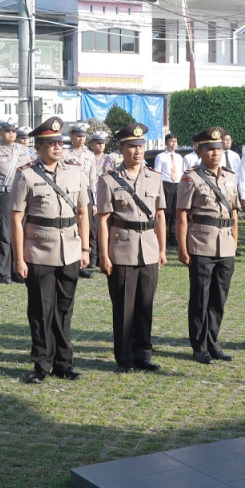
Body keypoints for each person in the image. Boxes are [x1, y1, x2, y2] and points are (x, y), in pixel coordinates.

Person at [11, 116, 91, 384]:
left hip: (69, 248)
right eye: (50, 143)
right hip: (39, 250)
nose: (57, 147)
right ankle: (41, 364)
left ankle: (64, 363)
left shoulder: (75, 171)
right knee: (41, 310)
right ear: (38, 146)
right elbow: (16, 217)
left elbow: (83, 211)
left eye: (59, 142)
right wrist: (20, 257)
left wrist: (85, 248)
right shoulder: (26, 174)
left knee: (64, 308)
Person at [96, 122, 167, 372]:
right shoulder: (108, 181)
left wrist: (161, 249)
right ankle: (124, 357)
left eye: (141, 146)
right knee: (124, 309)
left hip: (148, 246)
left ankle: (143, 354)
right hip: (122, 248)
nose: (137, 151)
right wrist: (103, 255)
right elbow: (103, 220)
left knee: (145, 306)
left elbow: (159, 215)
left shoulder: (155, 178)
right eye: (132, 147)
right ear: (121, 148)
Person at [176, 126, 240, 364]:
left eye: (218, 149)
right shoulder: (190, 178)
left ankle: (213, 343)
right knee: (200, 298)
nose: (215, 153)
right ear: (199, 150)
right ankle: (199, 345)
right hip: (201, 243)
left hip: (225, 245)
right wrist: (183, 248)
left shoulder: (230, 177)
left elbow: (233, 211)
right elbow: (182, 214)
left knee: (219, 298)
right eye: (210, 149)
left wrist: (234, 241)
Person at [0, 120, 29, 285]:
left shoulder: (24, 151)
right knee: (3, 233)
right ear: (1, 133)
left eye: (13, 131)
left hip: (20, 195)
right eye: (7, 131)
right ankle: (5, 272)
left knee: (20, 232)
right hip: (1, 195)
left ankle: (18, 269)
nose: (11, 134)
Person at [65, 123, 96, 279]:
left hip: (85, 195)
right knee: (71, 229)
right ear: (72, 136)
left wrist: (94, 202)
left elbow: (93, 180)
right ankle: (71, 262)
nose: (81, 138)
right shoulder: (65, 154)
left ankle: (81, 263)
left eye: (84, 136)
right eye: (78, 135)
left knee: (85, 229)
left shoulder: (90, 156)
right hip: (69, 194)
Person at [86, 130, 115, 273]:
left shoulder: (107, 159)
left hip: (104, 193)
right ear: (92, 144)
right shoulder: (87, 157)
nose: (101, 146)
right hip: (90, 193)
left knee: (104, 226)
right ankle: (92, 257)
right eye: (98, 143)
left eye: (103, 143)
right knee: (92, 227)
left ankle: (100, 257)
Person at [154, 134, 184, 246]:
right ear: (166, 143)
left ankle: (172, 235)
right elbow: (157, 173)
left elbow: (181, 172)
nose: (173, 144)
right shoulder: (161, 156)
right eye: (171, 141)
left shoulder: (179, 157)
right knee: (165, 211)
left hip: (177, 184)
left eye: (175, 141)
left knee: (175, 212)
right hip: (165, 185)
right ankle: (163, 235)